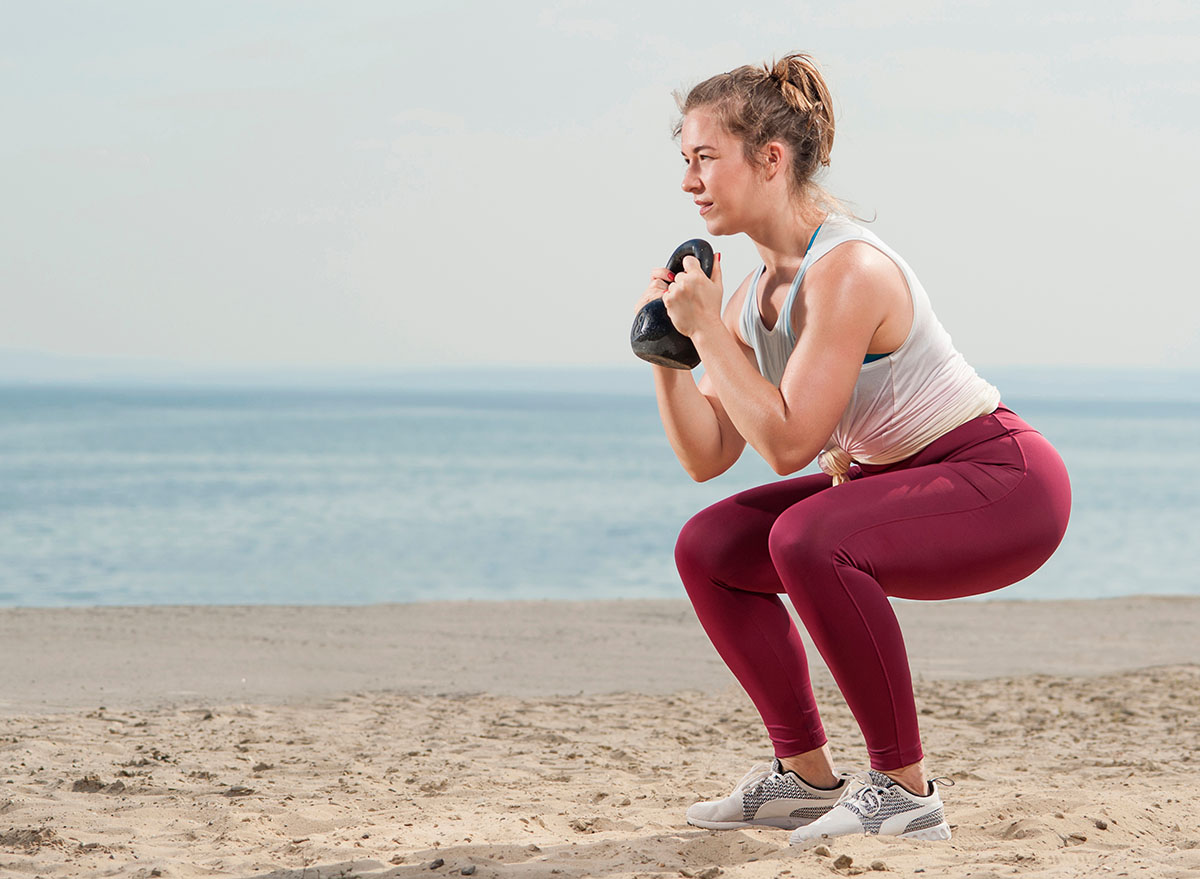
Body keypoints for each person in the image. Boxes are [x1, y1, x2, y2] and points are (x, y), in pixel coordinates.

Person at [634, 53, 1071, 844]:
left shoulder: (850, 270)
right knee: (710, 545)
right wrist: (673, 355)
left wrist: (706, 333)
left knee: (805, 536)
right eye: (684, 160)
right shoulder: (748, 299)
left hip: (1003, 483)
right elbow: (707, 456)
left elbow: (790, 443)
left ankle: (904, 790)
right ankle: (803, 776)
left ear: (771, 159)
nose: (689, 181)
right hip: (894, 487)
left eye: (705, 158)